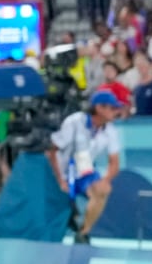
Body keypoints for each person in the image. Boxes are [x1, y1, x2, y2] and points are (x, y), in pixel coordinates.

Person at [47, 89, 123, 244]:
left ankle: (83, 232)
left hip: (84, 167)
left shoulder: (111, 130)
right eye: (112, 108)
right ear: (99, 108)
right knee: (57, 206)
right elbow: (52, 151)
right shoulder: (74, 122)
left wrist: (105, 179)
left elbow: (114, 163)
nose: (116, 112)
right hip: (61, 168)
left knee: (104, 189)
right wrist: (60, 180)